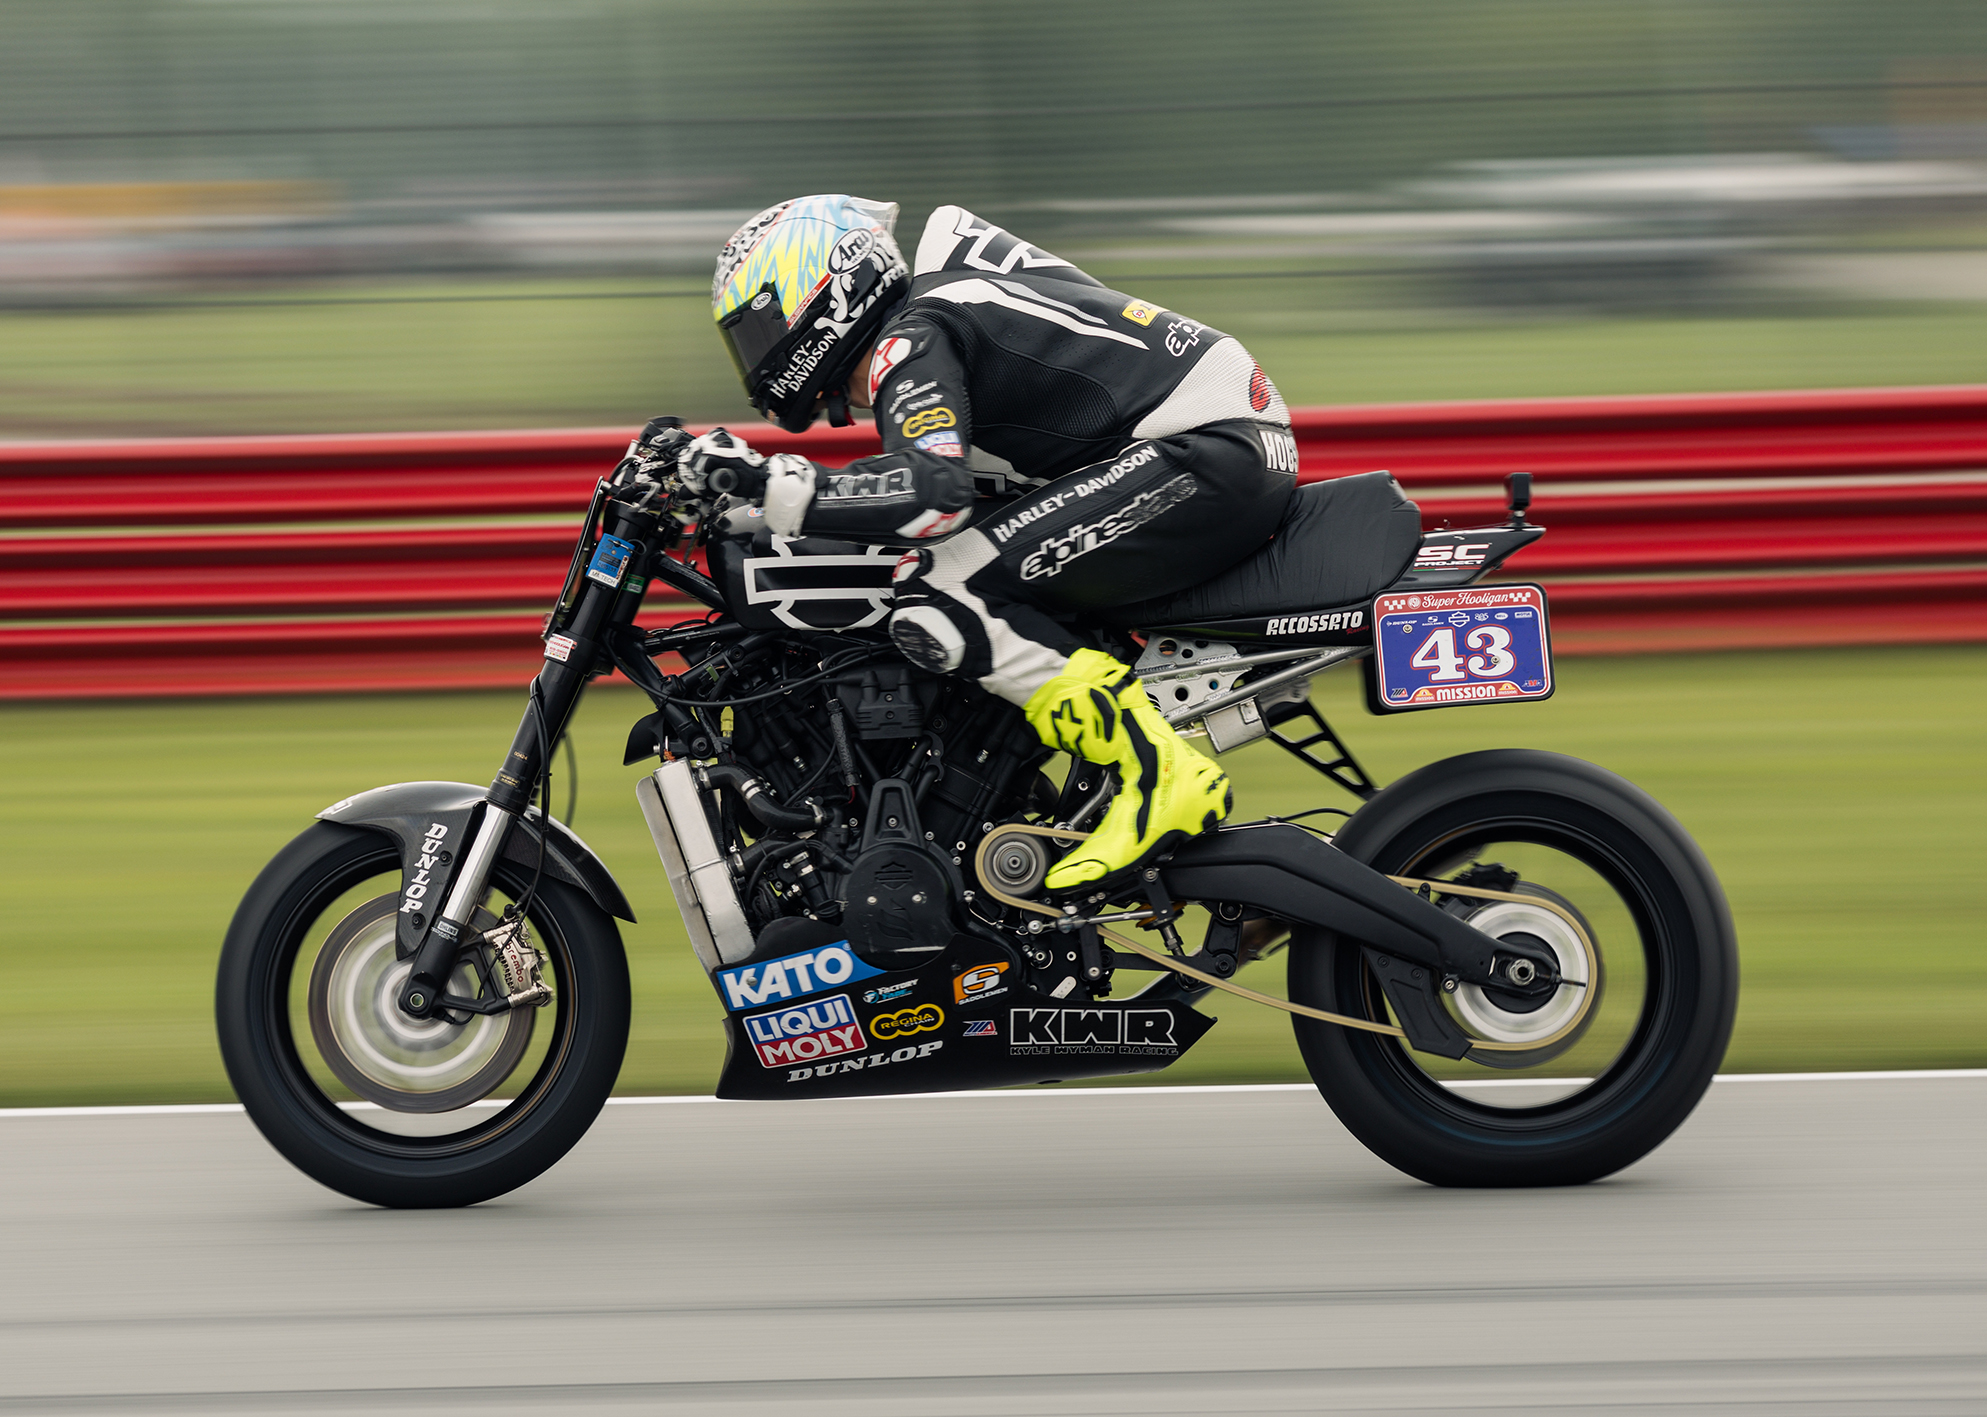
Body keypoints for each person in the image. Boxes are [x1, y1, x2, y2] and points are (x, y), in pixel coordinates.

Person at [686, 194, 1298, 894]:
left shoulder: (908, 336)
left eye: (760, 329)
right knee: (958, 572)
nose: (758, 356)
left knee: (941, 591)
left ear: (821, 293)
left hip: (1206, 451)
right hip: (1216, 445)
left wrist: (769, 480)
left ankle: (1161, 773)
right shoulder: (931, 319)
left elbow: (929, 494)